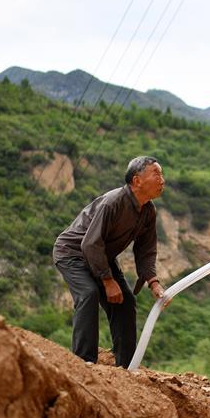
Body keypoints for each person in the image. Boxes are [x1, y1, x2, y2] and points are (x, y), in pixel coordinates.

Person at [52, 156, 168, 367]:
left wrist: (153, 282)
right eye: (156, 174)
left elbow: (145, 250)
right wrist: (107, 280)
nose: (162, 180)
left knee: (125, 301)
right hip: (72, 252)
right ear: (137, 180)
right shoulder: (113, 203)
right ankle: (84, 362)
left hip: (100, 256)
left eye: (162, 174)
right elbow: (89, 244)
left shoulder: (148, 211)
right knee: (88, 293)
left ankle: (127, 366)